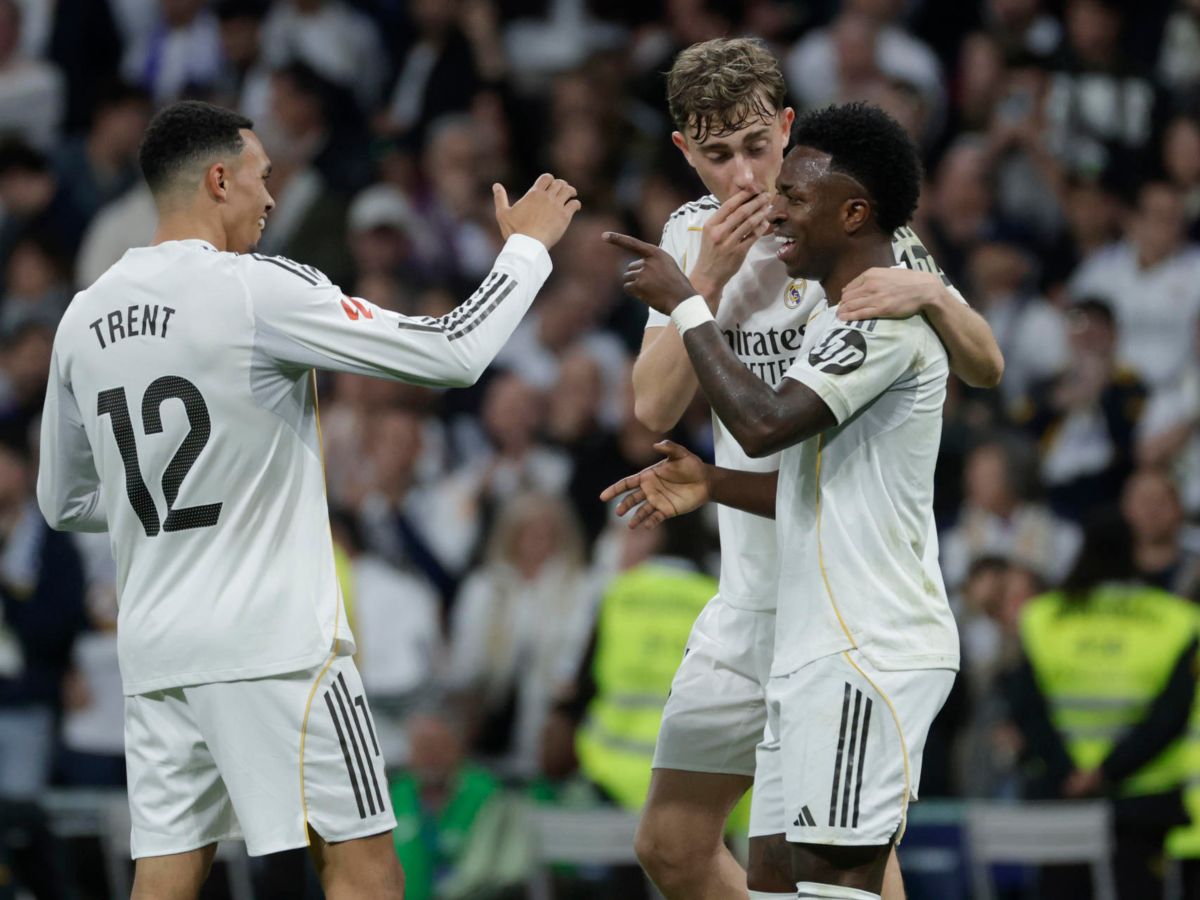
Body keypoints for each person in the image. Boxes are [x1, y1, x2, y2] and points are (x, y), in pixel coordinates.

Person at [36, 99, 579, 900]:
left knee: (167, 874)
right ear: (218, 179)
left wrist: (184, 505)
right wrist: (527, 250)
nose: (271, 199)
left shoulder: (82, 318)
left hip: (156, 653)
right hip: (276, 646)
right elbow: (452, 352)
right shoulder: (255, 290)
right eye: (261, 179)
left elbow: (64, 499)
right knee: (363, 868)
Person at [628, 39, 1002, 900]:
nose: (747, 176)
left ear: (787, 128)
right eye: (718, 155)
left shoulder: (853, 228)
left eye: (759, 146)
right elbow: (651, 410)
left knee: (835, 856)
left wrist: (938, 295)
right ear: (686, 152)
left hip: (850, 592)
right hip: (754, 588)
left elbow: (985, 368)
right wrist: (706, 285)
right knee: (675, 845)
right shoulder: (691, 237)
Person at [1006, 513, 1198, 899]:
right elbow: (1170, 717)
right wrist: (1106, 772)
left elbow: (1028, 710)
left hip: (1062, 798)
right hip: (1141, 805)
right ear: (1135, 554)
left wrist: (1071, 774)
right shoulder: (1175, 620)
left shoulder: (1042, 618)